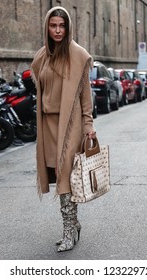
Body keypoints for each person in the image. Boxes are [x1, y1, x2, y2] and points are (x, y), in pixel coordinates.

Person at [31, 6, 96, 252]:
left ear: (68, 28)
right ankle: (74, 223)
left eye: (62, 26)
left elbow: (84, 95)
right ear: (47, 27)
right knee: (57, 175)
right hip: (47, 126)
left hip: (70, 125)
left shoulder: (78, 55)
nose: (58, 30)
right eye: (53, 25)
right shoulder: (41, 57)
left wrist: (88, 125)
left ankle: (69, 230)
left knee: (65, 177)